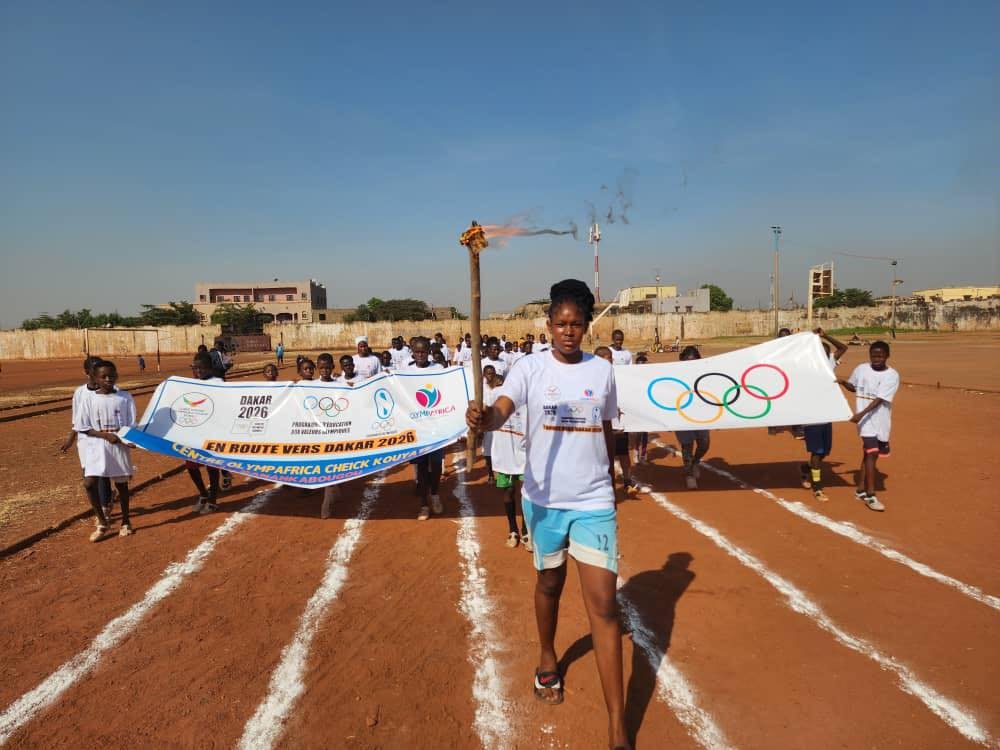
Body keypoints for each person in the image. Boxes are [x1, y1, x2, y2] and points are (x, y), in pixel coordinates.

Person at [466, 279, 629, 750]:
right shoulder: (529, 368)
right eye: (560, 324)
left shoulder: (602, 370)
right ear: (548, 325)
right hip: (543, 501)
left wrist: (612, 478)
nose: (568, 332)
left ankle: (618, 727)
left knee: (605, 607)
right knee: (550, 584)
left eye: (576, 324)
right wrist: (486, 419)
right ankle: (546, 654)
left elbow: (606, 427)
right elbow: (503, 408)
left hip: (594, 502)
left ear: (587, 326)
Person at [75, 360, 136, 541]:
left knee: (121, 485)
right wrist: (105, 435)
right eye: (104, 376)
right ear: (95, 378)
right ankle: (102, 522)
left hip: (119, 446)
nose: (108, 379)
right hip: (97, 446)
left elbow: (131, 423)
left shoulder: (125, 397)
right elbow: (83, 427)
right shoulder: (89, 399)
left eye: (112, 375)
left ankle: (126, 521)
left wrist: (127, 439)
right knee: (89, 483)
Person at [839, 341, 899, 512]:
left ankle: (860, 490)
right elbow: (854, 387)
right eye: (873, 355)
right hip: (865, 422)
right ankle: (870, 495)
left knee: (869, 454)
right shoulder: (861, 369)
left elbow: (880, 399)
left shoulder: (892, 375)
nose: (876, 359)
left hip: (880, 420)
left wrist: (860, 414)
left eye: (880, 356)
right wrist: (843, 383)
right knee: (872, 453)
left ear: (887, 356)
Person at [62, 356, 113, 520]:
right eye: (94, 368)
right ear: (87, 372)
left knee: (102, 473)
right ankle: (102, 508)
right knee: (89, 477)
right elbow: (76, 418)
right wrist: (71, 438)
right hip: (85, 440)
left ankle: (104, 508)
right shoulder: (80, 392)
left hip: (104, 438)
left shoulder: (110, 389)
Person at [799, 329, 848, 501]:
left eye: (826, 353)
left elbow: (843, 348)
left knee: (824, 452)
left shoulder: (829, 364)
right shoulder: (806, 367)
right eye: (820, 352)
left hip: (827, 415)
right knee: (817, 451)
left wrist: (825, 336)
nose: (824, 355)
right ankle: (817, 487)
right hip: (812, 416)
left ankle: (806, 468)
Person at [594, 347, 648, 495]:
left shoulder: (619, 374)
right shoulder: (591, 377)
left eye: (611, 358)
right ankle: (603, 485)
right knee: (604, 457)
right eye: (608, 358)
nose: (612, 360)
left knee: (623, 453)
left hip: (617, 423)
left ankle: (627, 481)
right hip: (600, 425)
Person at [403, 337, 445, 519]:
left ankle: (434, 494)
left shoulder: (438, 369)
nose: (420, 355)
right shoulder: (406, 371)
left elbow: (447, 390)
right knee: (420, 467)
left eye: (423, 351)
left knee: (436, 465)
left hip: (436, 425)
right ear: (412, 352)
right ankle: (423, 505)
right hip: (417, 427)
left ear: (429, 352)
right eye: (417, 352)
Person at [186, 352, 224, 512]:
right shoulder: (190, 384)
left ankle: (213, 499)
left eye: (201, 368)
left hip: (212, 431)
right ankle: (203, 494)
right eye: (195, 368)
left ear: (209, 368)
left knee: (212, 466)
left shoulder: (218, 382)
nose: (198, 371)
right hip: (195, 432)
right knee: (191, 465)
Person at [676, 346, 711, 489]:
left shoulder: (704, 374)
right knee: (687, 445)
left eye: (693, 360)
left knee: (704, 443)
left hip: (700, 415)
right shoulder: (675, 374)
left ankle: (695, 462)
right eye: (687, 360)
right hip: (682, 415)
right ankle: (689, 474)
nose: (690, 363)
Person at [482, 365, 501, 484]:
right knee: (488, 450)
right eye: (488, 373)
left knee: (500, 448)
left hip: (500, 422)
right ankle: (490, 474)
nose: (491, 376)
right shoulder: (481, 388)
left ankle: (501, 471)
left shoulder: (500, 388)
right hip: (487, 424)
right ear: (484, 375)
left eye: (493, 373)